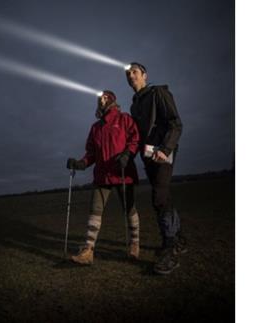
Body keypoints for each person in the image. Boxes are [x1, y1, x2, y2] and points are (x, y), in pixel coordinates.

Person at [125, 62, 187, 275]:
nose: (130, 75)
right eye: (128, 73)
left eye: (134, 71)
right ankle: (179, 238)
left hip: (163, 152)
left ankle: (169, 250)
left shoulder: (158, 92)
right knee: (164, 196)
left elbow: (176, 123)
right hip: (148, 156)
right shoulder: (134, 105)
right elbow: (137, 135)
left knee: (159, 197)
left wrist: (166, 148)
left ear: (144, 75)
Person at [66, 90, 140, 265]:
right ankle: (88, 251)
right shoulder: (96, 127)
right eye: (99, 99)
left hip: (122, 172)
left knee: (129, 208)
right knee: (95, 210)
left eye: (105, 98)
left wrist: (127, 154)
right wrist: (81, 163)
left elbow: (135, 140)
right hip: (102, 175)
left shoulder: (124, 119)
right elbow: (91, 153)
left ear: (113, 100)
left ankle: (135, 244)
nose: (102, 100)